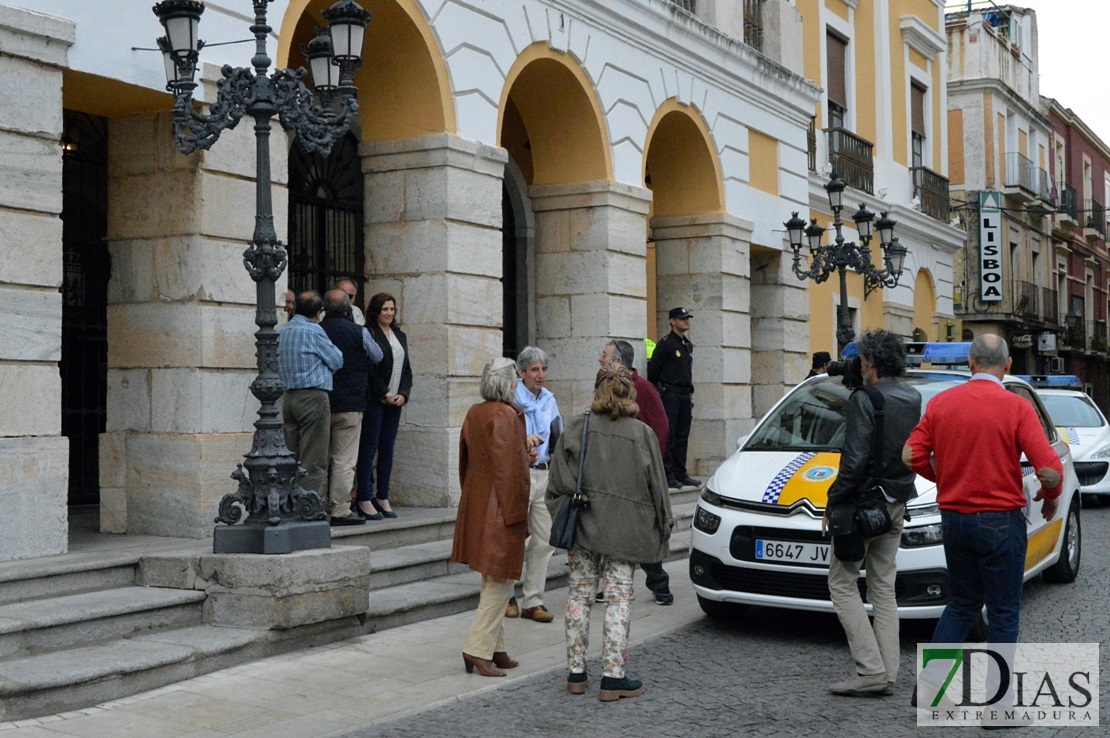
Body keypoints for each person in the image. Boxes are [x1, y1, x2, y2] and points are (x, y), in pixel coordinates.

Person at [903, 334, 1061, 708]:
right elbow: (1050, 470)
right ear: (1008, 366)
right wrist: (1048, 497)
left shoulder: (941, 403)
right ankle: (999, 705)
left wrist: (942, 478)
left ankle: (928, 689)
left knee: (962, 604)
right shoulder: (1016, 407)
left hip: (955, 519)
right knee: (1004, 612)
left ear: (970, 364)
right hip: (1000, 521)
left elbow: (910, 454)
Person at [547, 366, 673, 701]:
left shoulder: (577, 427)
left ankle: (576, 672)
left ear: (597, 390)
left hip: (584, 527)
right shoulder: (642, 433)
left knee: (579, 596)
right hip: (625, 531)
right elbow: (658, 488)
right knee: (618, 600)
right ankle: (612, 677)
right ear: (629, 393)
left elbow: (557, 482)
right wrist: (663, 527)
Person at [821, 330, 921, 697]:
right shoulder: (912, 396)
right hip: (897, 502)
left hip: (864, 505)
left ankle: (870, 670)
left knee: (841, 583)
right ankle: (889, 672)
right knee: (883, 588)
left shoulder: (865, 397)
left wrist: (833, 502)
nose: (858, 365)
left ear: (871, 363)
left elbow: (854, 460)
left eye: (862, 359)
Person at [452, 357, 532, 678]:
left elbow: (466, 462)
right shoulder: (504, 415)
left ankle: (495, 648)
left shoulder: (475, 412)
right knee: (500, 580)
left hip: (479, 500)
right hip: (500, 506)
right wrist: (517, 514)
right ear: (508, 383)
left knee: (493, 579)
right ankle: (477, 649)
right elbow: (510, 471)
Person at [599, 339, 674, 606]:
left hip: (636, 474)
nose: (600, 359)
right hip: (611, 472)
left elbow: (660, 429)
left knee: (641, 531)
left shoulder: (642, 388)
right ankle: (608, 583)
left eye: (604, 355)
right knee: (608, 529)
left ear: (618, 361)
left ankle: (660, 585)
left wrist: (647, 463)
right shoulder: (606, 389)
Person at [504, 346, 562, 623]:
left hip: (544, 473)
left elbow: (557, 435)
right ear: (522, 372)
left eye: (543, 369)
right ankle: (505, 595)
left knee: (545, 538)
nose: (540, 375)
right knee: (513, 536)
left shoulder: (550, 399)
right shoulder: (511, 397)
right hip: (519, 473)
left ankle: (533, 599)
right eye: (535, 370)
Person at [319, 289, 383, 525]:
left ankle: (315, 505)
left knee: (318, 457)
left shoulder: (318, 330)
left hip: (322, 400)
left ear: (324, 308)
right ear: (348, 309)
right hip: (352, 403)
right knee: (344, 459)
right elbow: (377, 356)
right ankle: (340, 509)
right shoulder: (359, 331)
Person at [278, 291, 343, 510]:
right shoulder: (315, 331)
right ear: (318, 312)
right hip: (313, 396)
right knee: (313, 458)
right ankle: (309, 506)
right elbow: (336, 359)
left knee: (290, 453)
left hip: (289, 397)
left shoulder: (283, 330)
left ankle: (287, 503)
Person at [356, 293, 413, 519]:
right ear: (376, 311)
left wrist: (403, 395)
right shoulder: (368, 333)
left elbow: (407, 370)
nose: (389, 313)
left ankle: (383, 496)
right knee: (369, 449)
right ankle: (364, 497)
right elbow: (368, 369)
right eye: (384, 309)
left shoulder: (400, 335)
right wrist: (385, 393)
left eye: (392, 309)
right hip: (376, 400)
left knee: (387, 449)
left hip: (395, 403)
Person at [648, 306, 699, 490]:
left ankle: (680, 472)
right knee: (669, 435)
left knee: (682, 435)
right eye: (682, 318)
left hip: (685, 395)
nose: (686, 321)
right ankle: (668, 473)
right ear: (672, 321)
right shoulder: (666, 344)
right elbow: (653, 372)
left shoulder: (686, 345)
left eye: (687, 318)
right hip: (670, 395)